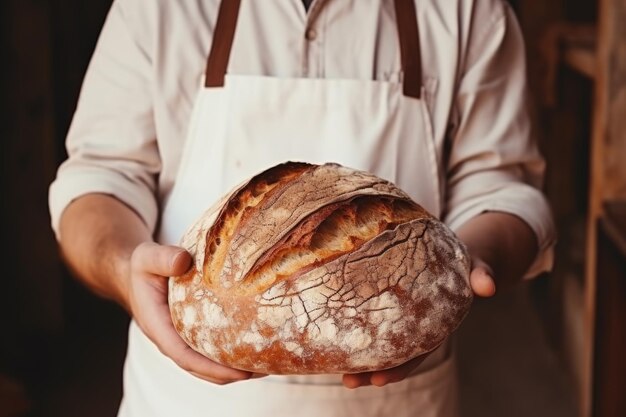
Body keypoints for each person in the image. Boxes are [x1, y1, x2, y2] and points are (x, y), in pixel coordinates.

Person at [48, 0, 556, 416]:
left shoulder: (468, 12)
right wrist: (123, 267)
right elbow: (102, 177)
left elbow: (502, 185)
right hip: (186, 399)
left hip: (395, 397)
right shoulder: (156, 9)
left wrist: (469, 262)